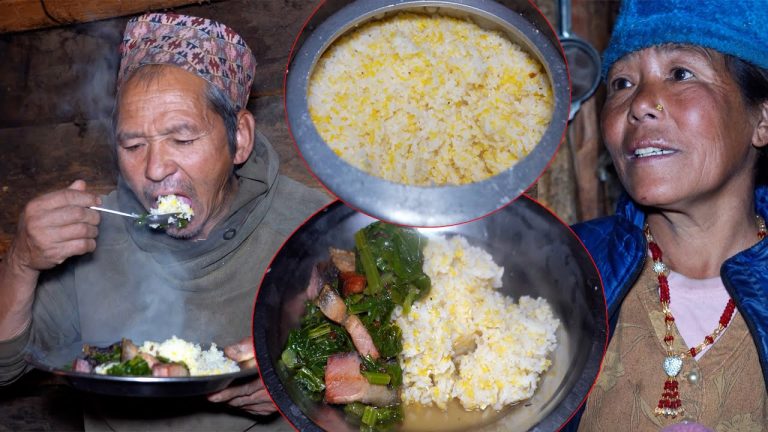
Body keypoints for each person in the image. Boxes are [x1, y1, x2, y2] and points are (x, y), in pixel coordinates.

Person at [0, 12, 329, 431]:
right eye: (133, 145)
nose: (155, 169)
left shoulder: (314, 226)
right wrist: (20, 263)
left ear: (239, 138)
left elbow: (393, 375)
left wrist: (304, 388)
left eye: (182, 138)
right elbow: (4, 367)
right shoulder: (91, 233)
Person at [565, 0, 768, 430]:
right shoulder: (563, 270)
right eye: (621, 83)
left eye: (680, 74)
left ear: (762, 119)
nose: (640, 103)